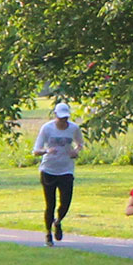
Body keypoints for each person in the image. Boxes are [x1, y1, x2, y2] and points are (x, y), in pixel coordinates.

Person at [31, 102, 85, 244]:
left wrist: (75, 151)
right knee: (51, 204)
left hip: (66, 170)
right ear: (55, 116)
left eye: (65, 118)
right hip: (48, 169)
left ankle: (58, 221)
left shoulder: (73, 128)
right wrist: (46, 150)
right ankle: (48, 234)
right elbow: (36, 150)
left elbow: (80, 144)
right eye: (61, 118)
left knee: (66, 202)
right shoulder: (47, 128)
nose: (63, 121)